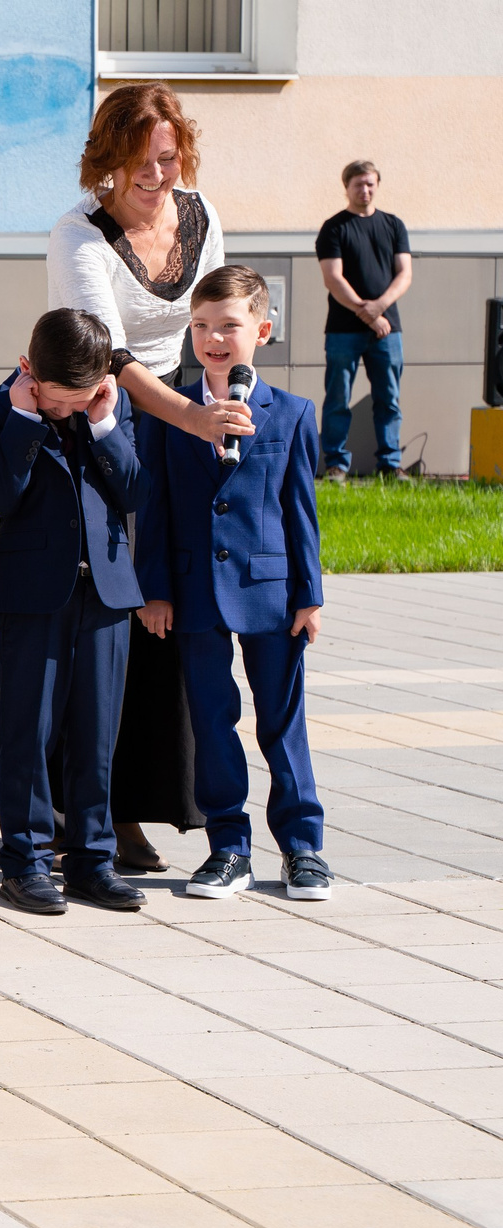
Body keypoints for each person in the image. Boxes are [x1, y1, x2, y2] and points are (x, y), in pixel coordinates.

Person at [42, 83, 250, 873]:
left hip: (186, 418)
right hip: (102, 426)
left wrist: (218, 406)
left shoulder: (201, 215)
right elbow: (113, 356)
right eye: (139, 163)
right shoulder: (77, 235)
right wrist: (187, 418)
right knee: (103, 616)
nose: (157, 176)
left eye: (168, 159)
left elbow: (215, 318)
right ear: (107, 162)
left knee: (166, 609)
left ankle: (138, 803)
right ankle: (73, 809)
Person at [138, 265, 332, 903]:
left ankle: (303, 847)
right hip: (194, 592)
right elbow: (159, 508)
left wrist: (310, 595)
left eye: (229, 325)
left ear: (263, 330)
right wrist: (156, 589)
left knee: (281, 720)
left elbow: (300, 511)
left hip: (271, 593)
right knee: (212, 720)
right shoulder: (174, 414)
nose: (213, 338)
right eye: (201, 326)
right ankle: (228, 847)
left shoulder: (294, 413)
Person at [0, 309, 146, 917]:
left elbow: (133, 492)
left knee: (98, 732)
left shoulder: (106, 414)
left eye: (84, 396)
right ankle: (26, 861)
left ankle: (94, 859)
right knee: (29, 730)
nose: (69, 408)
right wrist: (23, 419)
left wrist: (103, 426)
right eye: (58, 398)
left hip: (106, 595)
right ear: (29, 371)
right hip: (33, 595)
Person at [315, 159, 412, 481]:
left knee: (389, 398)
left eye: (370, 183)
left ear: (377, 185)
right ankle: (336, 466)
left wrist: (380, 308)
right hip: (344, 330)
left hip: (388, 329)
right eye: (358, 184)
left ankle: (390, 464)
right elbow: (333, 278)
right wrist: (367, 313)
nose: (365, 189)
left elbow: (404, 274)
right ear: (347, 187)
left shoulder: (394, 225)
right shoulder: (334, 227)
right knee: (338, 399)